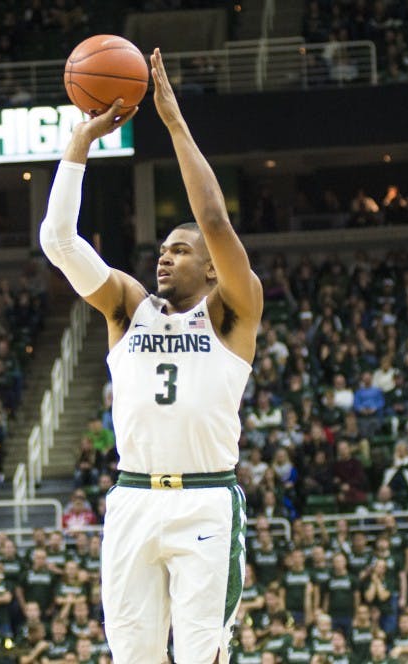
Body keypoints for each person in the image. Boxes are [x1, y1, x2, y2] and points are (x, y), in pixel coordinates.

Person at [39, 49, 262, 662]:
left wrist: (172, 121)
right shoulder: (127, 306)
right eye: (163, 248)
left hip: (206, 500)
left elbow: (213, 217)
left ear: (213, 267)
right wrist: (79, 144)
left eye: (181, 250)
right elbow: (58, 241)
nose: (165, 256)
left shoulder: (232, 313)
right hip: (134, 496)